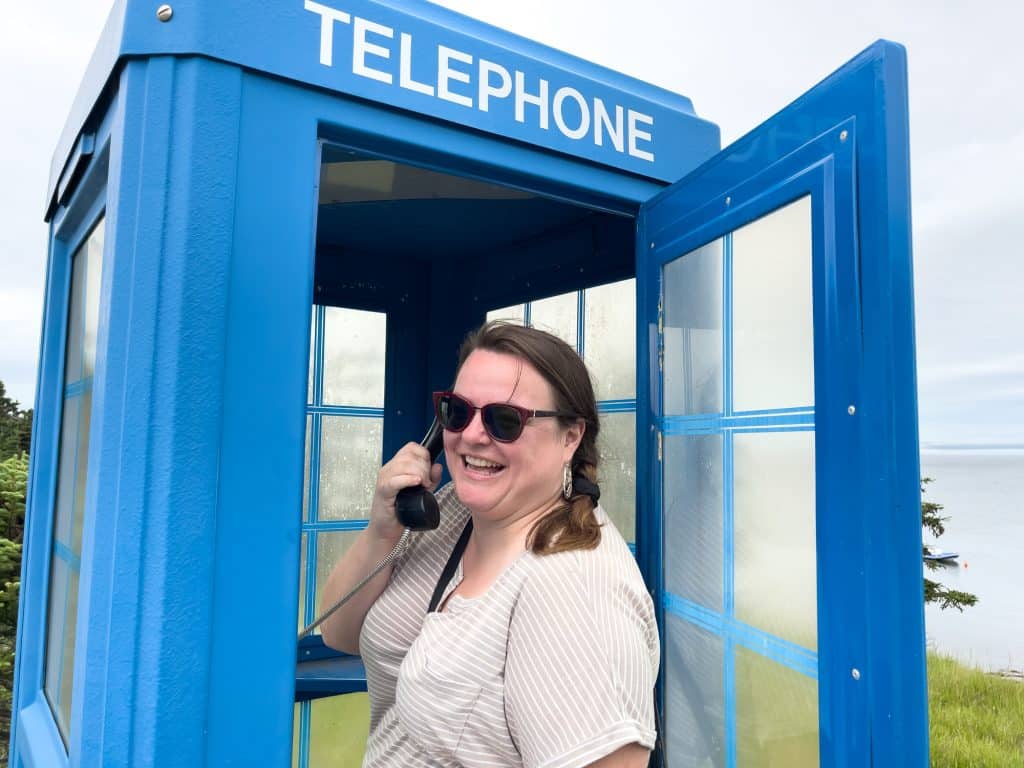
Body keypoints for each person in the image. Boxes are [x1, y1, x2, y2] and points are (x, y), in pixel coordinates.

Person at [320, 321, 659, 767]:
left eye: (505, 420)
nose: (473, 436)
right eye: (457, 412)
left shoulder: (575, 591)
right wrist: (383, 529)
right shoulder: (455, 514)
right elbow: (337, 632)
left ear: (570, 437)